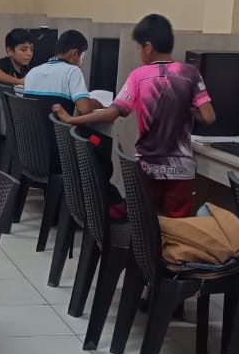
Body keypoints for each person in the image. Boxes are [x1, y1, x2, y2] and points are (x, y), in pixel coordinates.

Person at [54, 14, 213, 217]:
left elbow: (111, 114)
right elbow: (208, 116)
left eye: (139, 48)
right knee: (177, 227)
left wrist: (71, 119)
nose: (139, 52)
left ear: (148, 47)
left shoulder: (138, 76)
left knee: (143, 220)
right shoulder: (191, 73)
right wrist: (186, 108)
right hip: (181, 169)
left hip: (148, 166)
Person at [21, 30, 103, 116]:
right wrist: (95, 103)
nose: (81, 63)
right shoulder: (72, 71)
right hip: (56, 125)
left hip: (28, 125)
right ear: (74, 54)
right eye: (82, 58)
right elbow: (84, 109)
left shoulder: (33, 72)